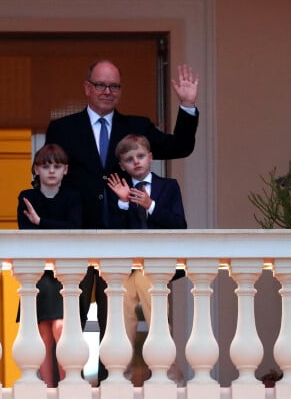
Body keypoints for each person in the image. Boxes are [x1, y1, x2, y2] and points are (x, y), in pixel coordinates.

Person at [44, 59, 200, 381]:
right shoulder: (63, 129)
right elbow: (51, 176)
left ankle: (111, 384)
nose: (107, 91)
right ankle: (72, 386)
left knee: (112, 318)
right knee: (69, 319)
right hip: (77, 239)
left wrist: (187, 105)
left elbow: (181, 146)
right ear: (87, 88)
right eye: (100, 85)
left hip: (121, 243)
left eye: (114, 86)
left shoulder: (137, 127)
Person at [107, 134, 186, 384]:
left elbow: (179, 224)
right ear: (122, 165)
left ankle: (168, 374)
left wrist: (151, 205)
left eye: (141, 156)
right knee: (123, 321)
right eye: (129, 159)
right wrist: (121, 202)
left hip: (154, 266)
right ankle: (121, 375)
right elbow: (109, 228)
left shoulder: (168, 186)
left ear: (150, 157)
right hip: (124, 267)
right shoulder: (116, 190)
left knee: (157, 318)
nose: (136, 162)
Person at [16, 143, 82, 387]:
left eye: (57, 166)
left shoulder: (72, 197)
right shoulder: (27, 197)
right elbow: (26, 232)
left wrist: (41, 221)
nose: (51, 171)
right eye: (46, 166)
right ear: (36, 170)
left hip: (65, 272)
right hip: (38, 271)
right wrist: (49, 226)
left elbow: (75, 229)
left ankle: (68, 386)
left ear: (65, 170)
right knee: (41, 332)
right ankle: (48, 388)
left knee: (61, 327)